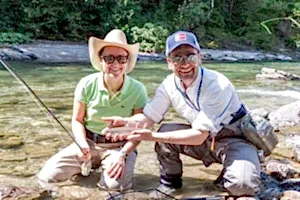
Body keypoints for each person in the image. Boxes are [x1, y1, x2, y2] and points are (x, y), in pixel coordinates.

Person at [103, 30, 261, 199]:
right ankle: (170, 185)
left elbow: (199, 136)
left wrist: (152, 136)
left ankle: (244, 164)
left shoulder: (218, 85)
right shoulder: (168, 85)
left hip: (232, 139)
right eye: (177, 57)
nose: (184, 63)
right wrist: (127, 122)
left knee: (242, 187)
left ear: (200, 57)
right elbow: (148, 117)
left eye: (190, 56)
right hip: (205, 140)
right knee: (165, 133)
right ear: (169, 62)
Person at [38, 29, 148, 191]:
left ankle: (105, 168)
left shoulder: (138, 90)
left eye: (121, 58)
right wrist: (82, 144)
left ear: (127, 61)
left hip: (119, 147)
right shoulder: (86, 84)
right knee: (46, 178)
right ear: (100, 60)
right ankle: (89, 164)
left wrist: (123, 154)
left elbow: (140, 130)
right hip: (87, 142)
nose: (115, 64)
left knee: (114, 188)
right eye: (109, 58)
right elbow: (77, 120)